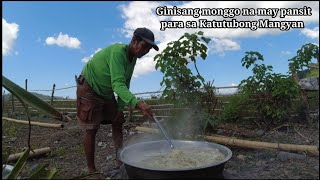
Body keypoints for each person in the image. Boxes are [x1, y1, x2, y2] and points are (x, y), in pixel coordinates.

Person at [76, 27, 159, 174]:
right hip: (90, 87)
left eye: (148, 49)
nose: (145, 51)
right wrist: (138, 104)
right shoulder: (117, 52)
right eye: (144, 46)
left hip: (106, 91)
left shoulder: (132, 59)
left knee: (118, 120)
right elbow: (118, 84)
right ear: (134, 40)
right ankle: (91, 170)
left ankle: (120, 160)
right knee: (91, 129)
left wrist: (120, 108)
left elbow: (124, 84)